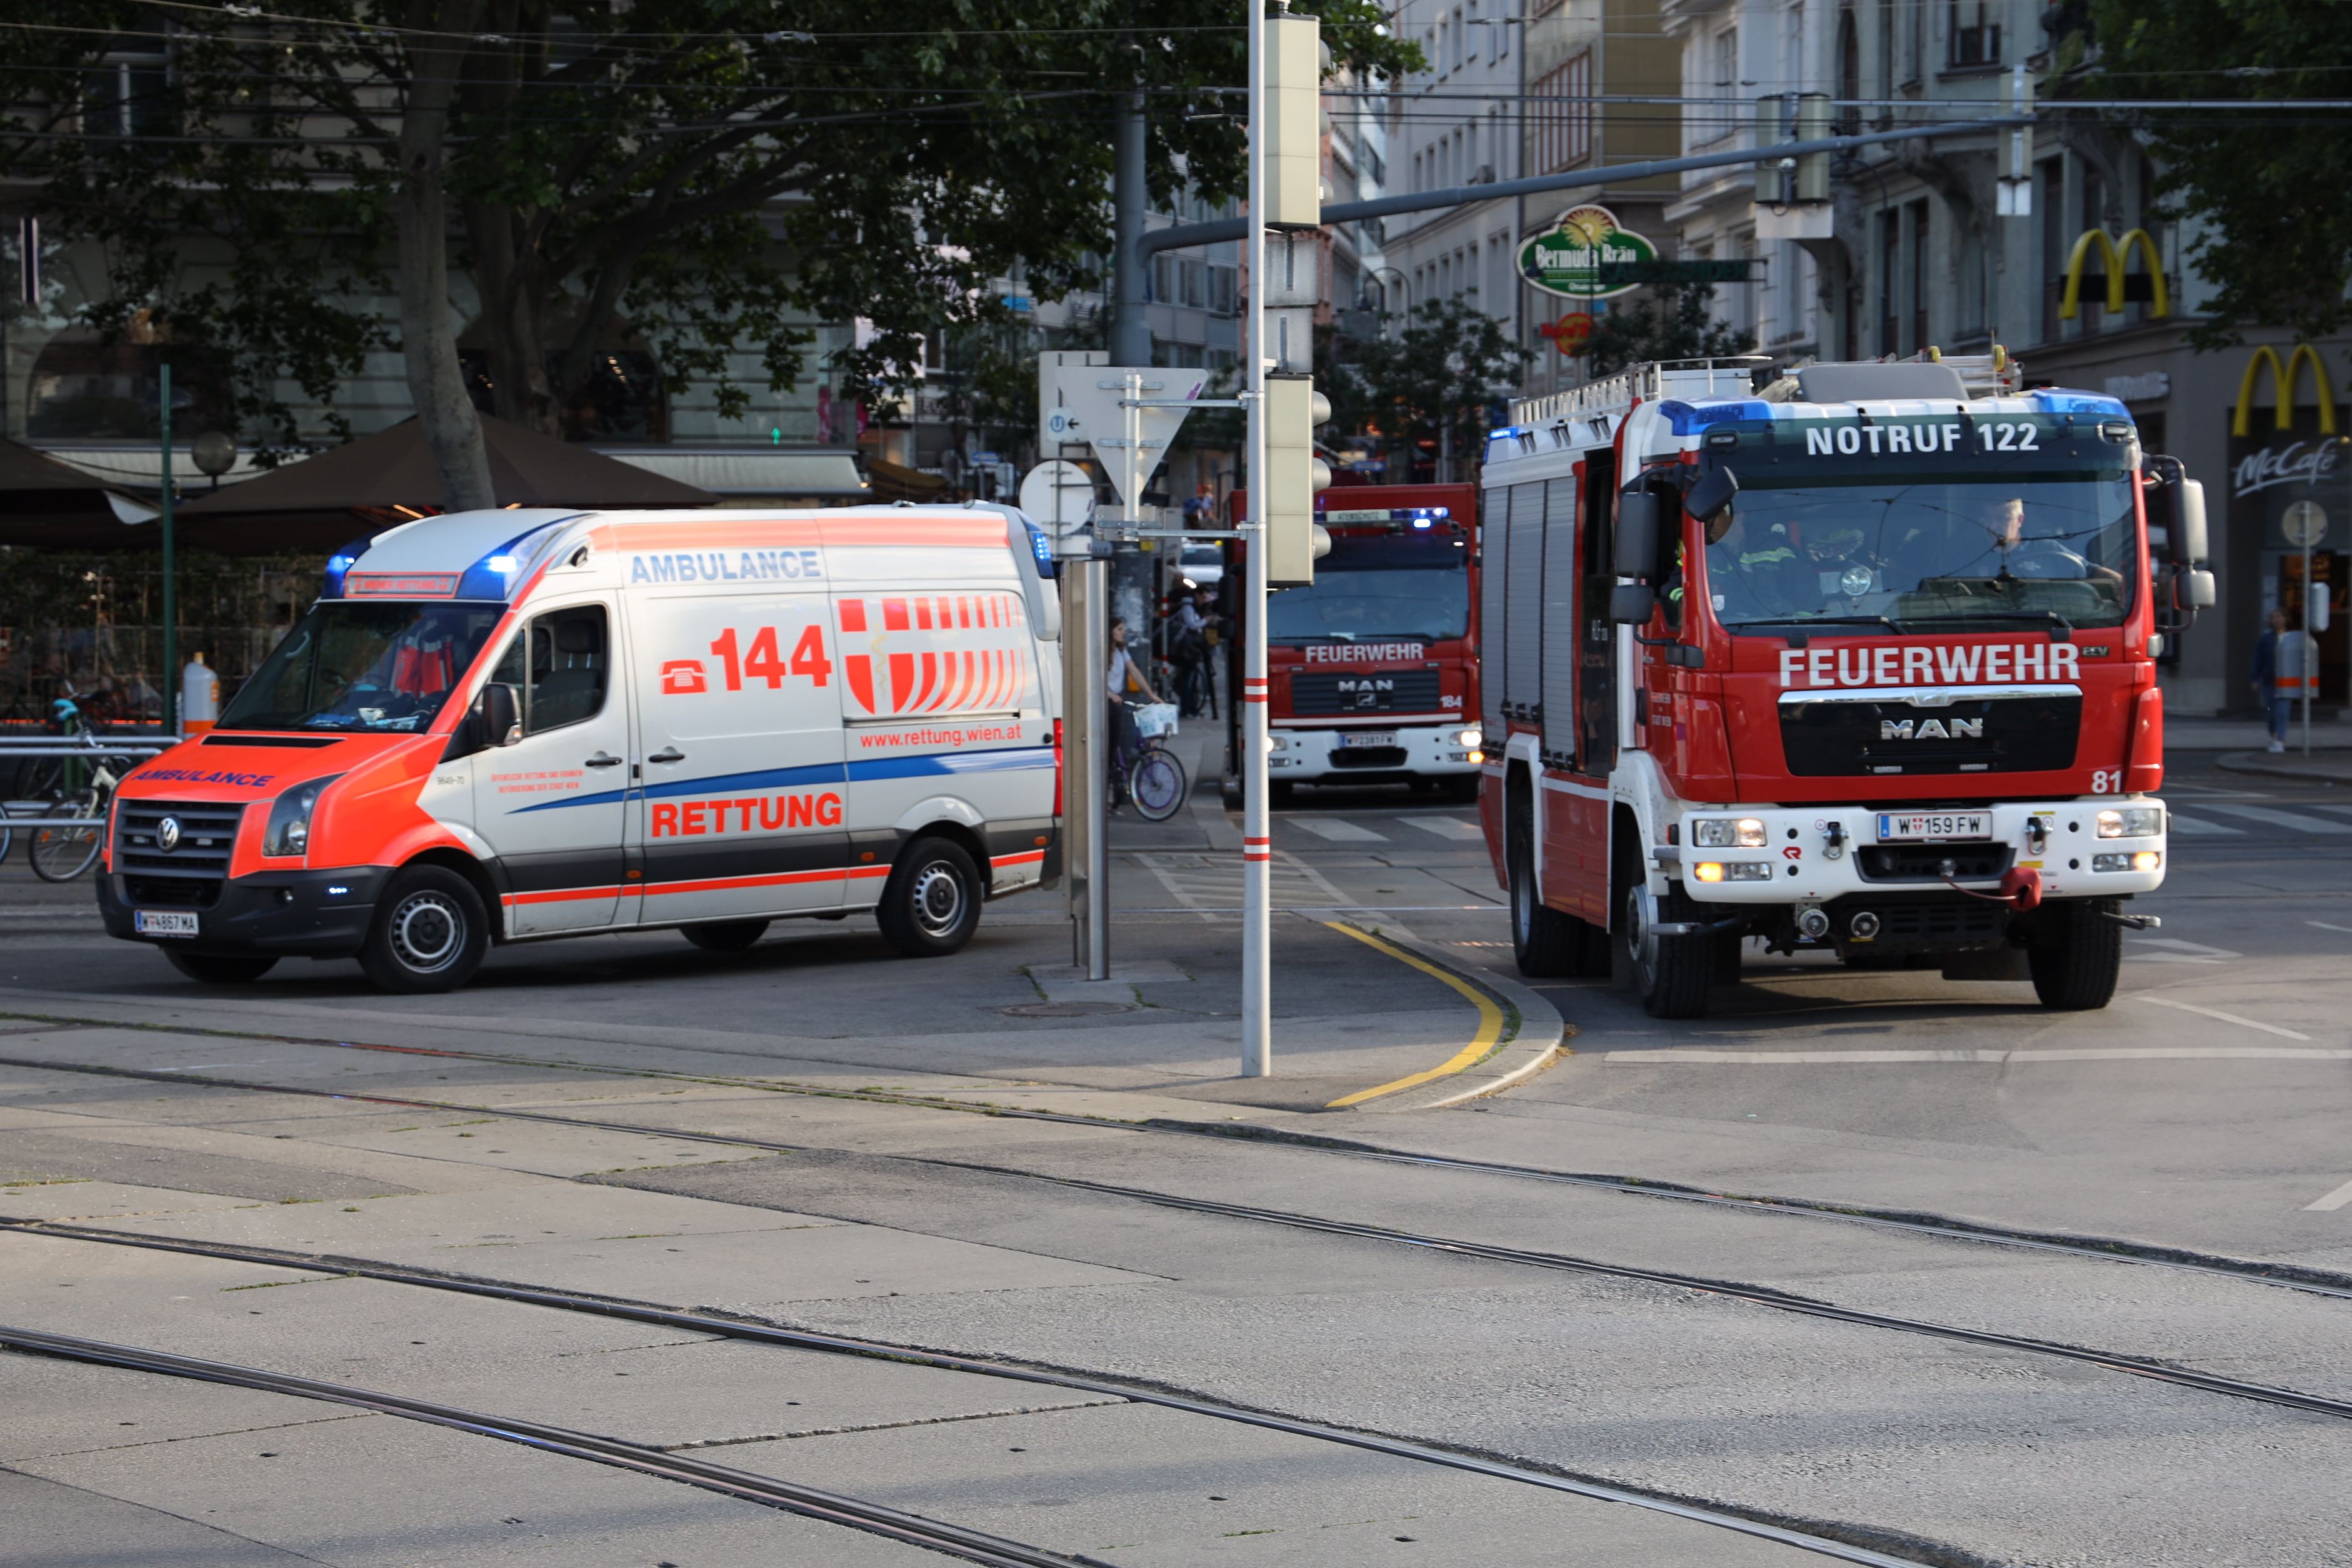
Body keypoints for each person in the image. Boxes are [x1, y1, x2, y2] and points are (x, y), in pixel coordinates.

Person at [1106, 616, 1164, 798]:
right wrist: (1110, 695)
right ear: (1110, 632)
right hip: (1107, 701)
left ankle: (1116, 779)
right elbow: (1094, 679)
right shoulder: (1102, 653)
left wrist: (1152, 696)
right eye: (1119, 629)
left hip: (1118, 699)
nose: (1123, 632)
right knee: (1110, 743)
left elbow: (1135, 672)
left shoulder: (1121, 652)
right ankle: (1108, 775)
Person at [2251, 607, 2296, 754]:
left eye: (2279, 617)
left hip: (2287, 681)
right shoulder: (2266, 638)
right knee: (2271, 712)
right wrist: (2255, 678)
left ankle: (2279, 740)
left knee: (2283, 712)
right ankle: (2273, 735)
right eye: (2274, 617)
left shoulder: (2291, 637)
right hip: (2269, 681)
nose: (2276, 620)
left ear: (2285, 619)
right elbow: (2258, 659)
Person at [1168, 589, 1214, 717]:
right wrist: (1205, 621)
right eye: (1203, 597)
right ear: (1197, 595)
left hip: (1191, 648)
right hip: (1185, 649)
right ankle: (1187, 708)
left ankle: (1191, 707)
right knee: (1188, 680)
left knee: (1191, 679)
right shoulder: (1188, 607)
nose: (1204, 601)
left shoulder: (1194, 607)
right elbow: (1191, 625)